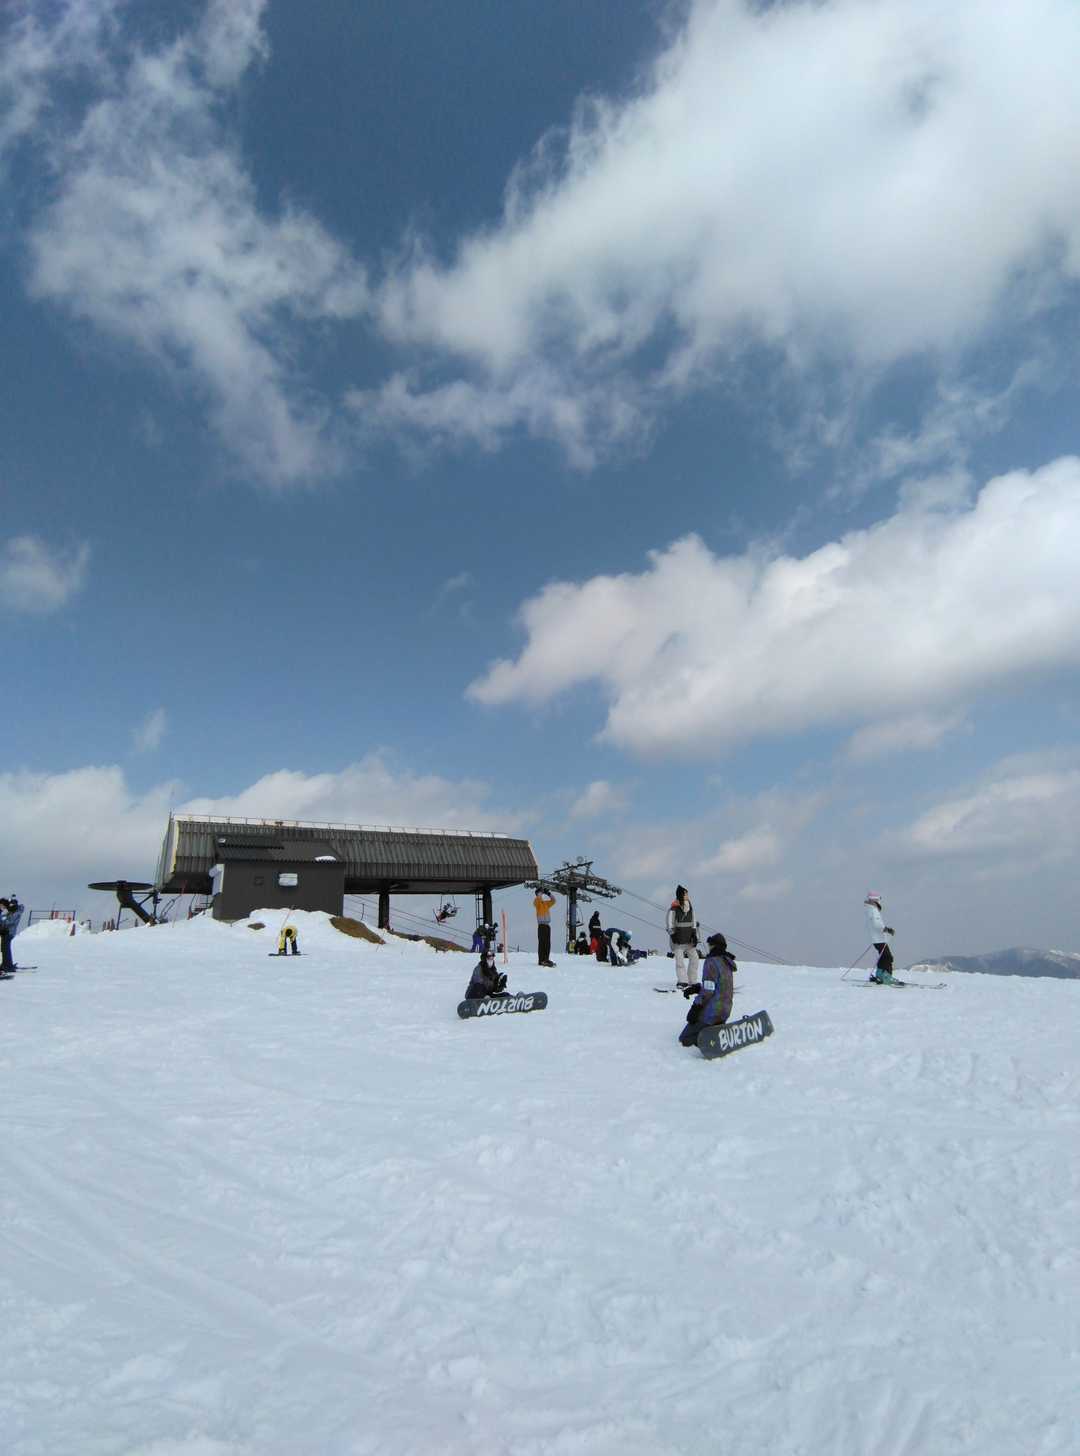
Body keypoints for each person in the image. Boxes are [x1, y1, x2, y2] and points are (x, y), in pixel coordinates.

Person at [679, 933, 736, 1046]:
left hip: (712, 1012)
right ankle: (716, 1030)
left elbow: (708, 991)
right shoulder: (726, 962)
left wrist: (695, 1008)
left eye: (710, 945)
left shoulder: (711, 962)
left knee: (684, 1038)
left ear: (713, 945)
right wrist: (696, 988)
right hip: (725, 1011)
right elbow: (717, 986)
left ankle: (709, 1039)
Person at [666, 884, 700, 990]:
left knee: (695, 959)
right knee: (680, 962)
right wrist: (673, 935)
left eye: (687, 894)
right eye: (685, 894)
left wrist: (694, 935)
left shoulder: (691, 908)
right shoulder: (674, 909)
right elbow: (669, 923)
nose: (687, 896)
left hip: (689, 939)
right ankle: (682, 981)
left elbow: (693, 922)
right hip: (678, 940)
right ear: (680, 895)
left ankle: (692, 980)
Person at [864, 892, 896, 984]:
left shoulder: (871, 909)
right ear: (875, 899)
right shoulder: (873, 910)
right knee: (888, 957)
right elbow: (877, 923)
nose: (880, 901)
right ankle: (886, 977)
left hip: (877, 939)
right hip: (879, 939)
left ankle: (880, 975)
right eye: (879, 899)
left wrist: (885, 929)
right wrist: (886, 929)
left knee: (883, 956)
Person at [533, 887, 557, 968]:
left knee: (547, 944)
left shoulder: (545, 904)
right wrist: (540, 892)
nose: (542, 895)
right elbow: (538, 899)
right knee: (542, 943)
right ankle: (541, 960)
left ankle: (546, 959)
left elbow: (554, 901)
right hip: (541, 926)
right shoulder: (537, 903)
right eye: (540, 894)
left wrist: (548, 893)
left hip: (547, 926)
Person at [0, 895, 22, 973]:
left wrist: (2, 924)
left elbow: (9, 921)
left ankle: (8, 965)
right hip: (6, 932)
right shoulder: (11, 911)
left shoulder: (15, 911)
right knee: (4, 949)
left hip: (8, 932)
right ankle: (6, 963)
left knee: (5, 949)